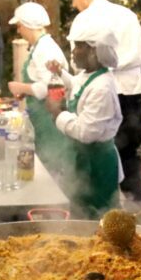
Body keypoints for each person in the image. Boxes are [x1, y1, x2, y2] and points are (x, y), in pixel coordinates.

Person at [69, 0, 141, 201]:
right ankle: (134, 217)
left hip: (103, 92)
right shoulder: (127, 15)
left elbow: (79, 65)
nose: (73, 4)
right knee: (130, 160)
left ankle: (104, 216)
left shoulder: (84, 20)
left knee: (99, 161)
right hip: (132, 93)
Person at [43, 21, 123, 219]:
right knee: (79, 214)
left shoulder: (103, 88)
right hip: (83, 160)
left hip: (98, 164)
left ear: (94, 52)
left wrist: (57, 113)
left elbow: (86, 132)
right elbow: (77, 87)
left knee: (98, 219)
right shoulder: (90, 75)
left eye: (79, 46)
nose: (73, 52)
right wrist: (59, 73)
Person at [6, 2, 72, 176]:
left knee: (52, 169)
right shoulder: (38, 47)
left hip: (49, 119)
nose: (18, 30)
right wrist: (25, 91)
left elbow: (48, 88)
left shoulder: (46, 49)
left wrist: (20, 87)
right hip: (40, 118)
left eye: (19, 26)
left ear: (29, 25)